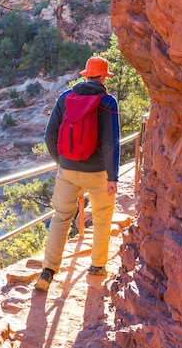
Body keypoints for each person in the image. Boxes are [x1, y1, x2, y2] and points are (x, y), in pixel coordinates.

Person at [35, 56, 121, 292]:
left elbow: (50, 135)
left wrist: (61, 163)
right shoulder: (108, 102)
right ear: (103, 77)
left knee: (61, 218)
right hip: (98, 173)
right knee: (103, 217)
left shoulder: (65, 98)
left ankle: (48, 271)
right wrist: (113, 177)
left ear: (86, 75)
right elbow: (111, 143)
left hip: (68, 170)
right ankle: (97, 266)